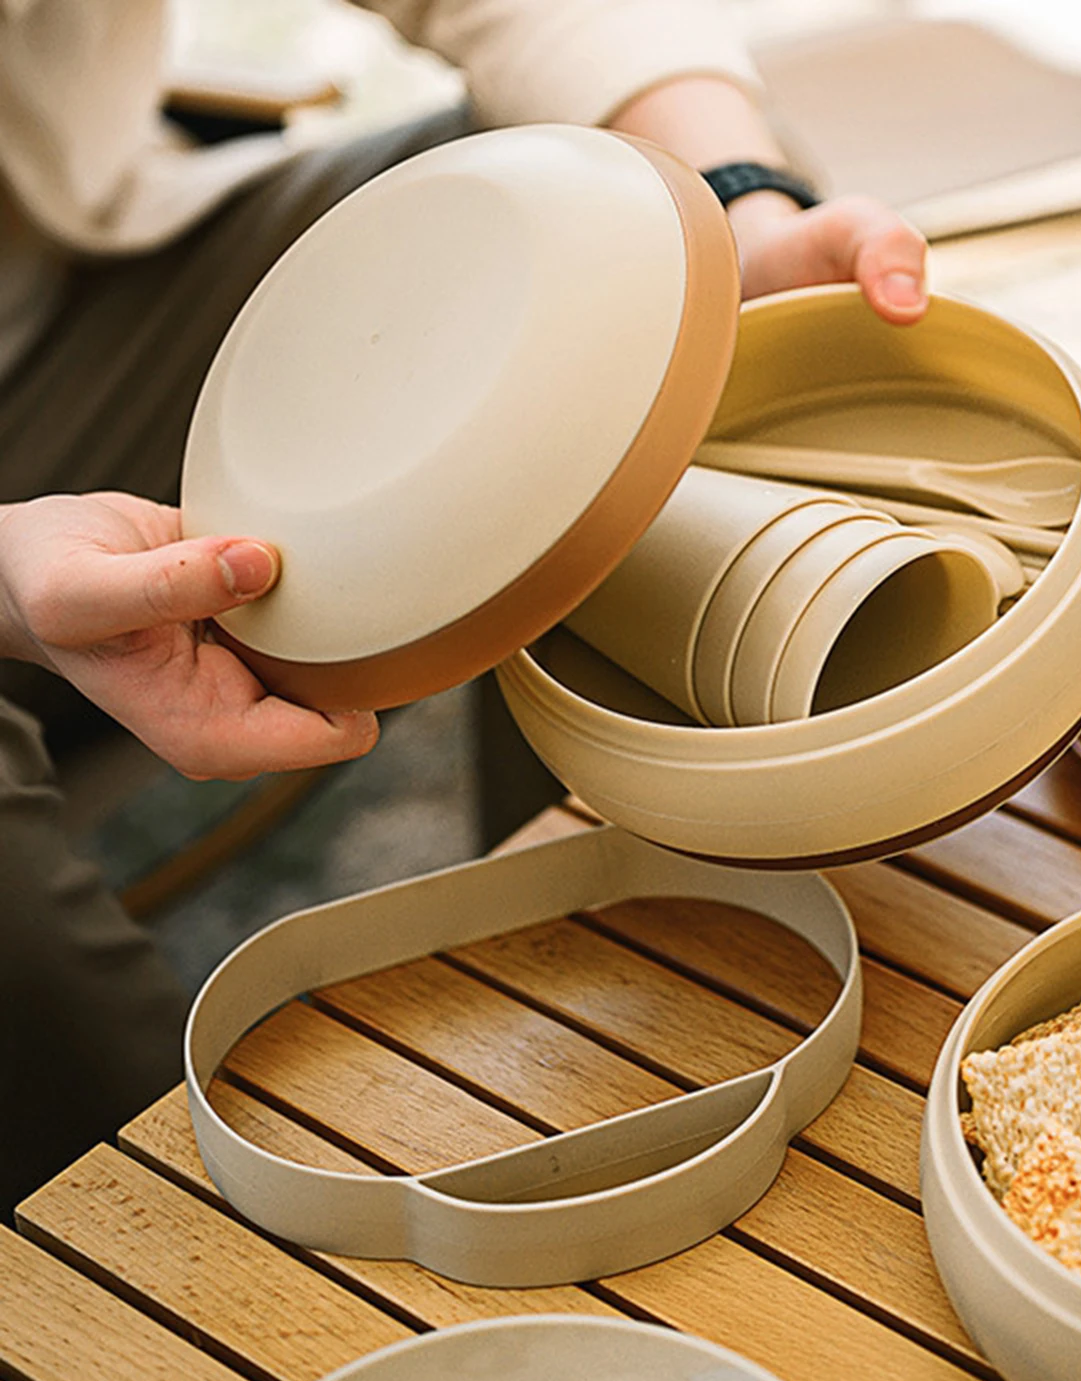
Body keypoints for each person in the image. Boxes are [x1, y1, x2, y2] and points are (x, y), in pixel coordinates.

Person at [0, 0, 929, 1216]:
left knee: (638, 213)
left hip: (56, 302)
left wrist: (739, 192)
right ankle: (175, 1269)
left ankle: (592, 897)